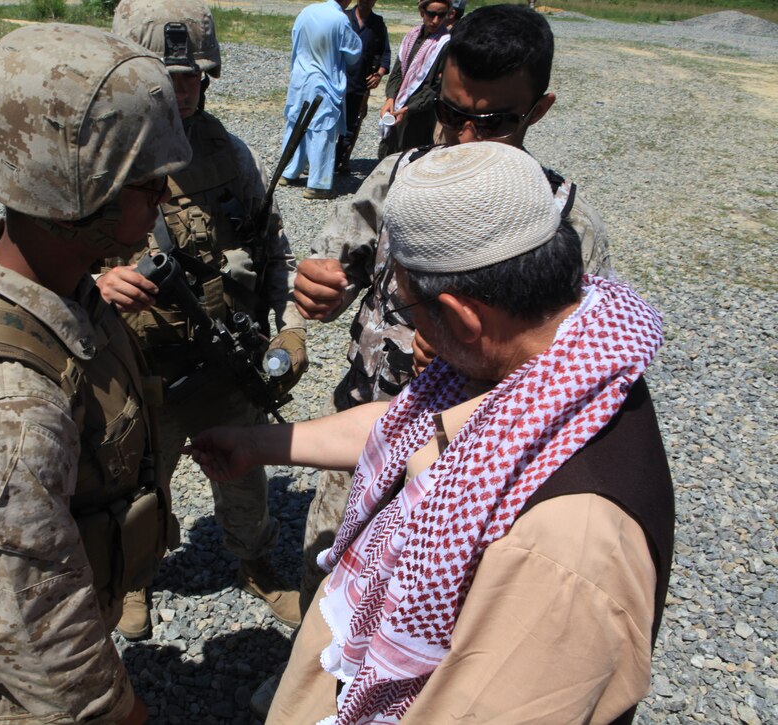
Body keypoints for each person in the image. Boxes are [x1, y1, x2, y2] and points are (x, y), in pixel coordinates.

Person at [191, 142, 674, 724]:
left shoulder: (561, 553)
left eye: (411, 310)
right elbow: (411, 426)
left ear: (466, 319)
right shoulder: (554, 344)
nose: (411, 327)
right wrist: (255, 444)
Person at [293, 3, 613, 616]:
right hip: (360, 439)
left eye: (493, 123)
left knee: (424, 618)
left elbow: (580, 379)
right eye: (450, 113)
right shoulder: (396, 178)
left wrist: (476, 368)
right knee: (326, 582)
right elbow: (328, 270)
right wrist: (317, 291)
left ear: (539, 111)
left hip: (470, 476)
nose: (463, 139)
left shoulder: (565, 226)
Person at [0, 24, 192, 723]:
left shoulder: (66, 286)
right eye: (145, 181)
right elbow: (34, 635)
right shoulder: (11, 413)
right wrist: (119, 711)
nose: (165, 195)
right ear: (73, 200)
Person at [104, 0, 307, 636]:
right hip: (139, 371)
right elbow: (45, 257)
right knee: (137, 489)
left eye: (192, 76)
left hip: (224, 360)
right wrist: (97, 283)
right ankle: (133, 579)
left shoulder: (227, 154)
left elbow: (273, 245)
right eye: (166, 77)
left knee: (246, 479)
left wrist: (292, 323)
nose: (182, 90)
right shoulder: (99, 160)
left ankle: (255, 564)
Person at [278, 0, 361, 200]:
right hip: (323, 80)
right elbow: (353, 54)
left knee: (296, 123)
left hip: (301, 76)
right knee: (322, 130)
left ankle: (289, 171)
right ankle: (318, 183)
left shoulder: (306, 12)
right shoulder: (340, 19)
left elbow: (295, 40)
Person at [377, 0, 450, 159]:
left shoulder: (445, 44)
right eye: (431, 14)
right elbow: (398, 71)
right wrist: (390, 98)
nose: (435, 20)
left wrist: (409, 108)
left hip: (419, 115)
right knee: (388, 155)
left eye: (441, 15)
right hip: (397, 107)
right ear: (422, 12)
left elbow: (435, 88)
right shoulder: (412, 36)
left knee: (409, 158)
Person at [335, 0, 390, 175]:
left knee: (352, 124)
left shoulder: (378, 23)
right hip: (337, 81)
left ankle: (341, 160)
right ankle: (319, 161)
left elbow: (385, 53)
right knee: (330, 123)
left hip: (361, 83)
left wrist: (379, 74)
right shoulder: (343, 18)